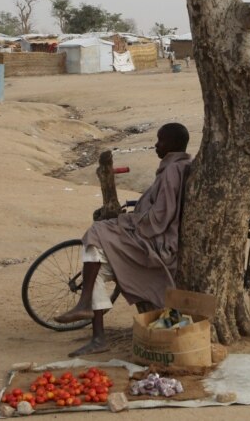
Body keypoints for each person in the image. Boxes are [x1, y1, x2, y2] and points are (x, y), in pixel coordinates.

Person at [55, 123, 192, 357]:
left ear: (171, 144)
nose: (156, 145)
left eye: (160, 141)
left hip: (154, 242)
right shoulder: (173, 167)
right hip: (147, 234)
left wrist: (131, 223)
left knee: (97, 231)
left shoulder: (173, 170)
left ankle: (85, 302)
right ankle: (97, 336)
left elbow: (160, 217)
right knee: (95, 261)